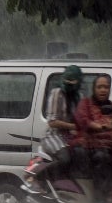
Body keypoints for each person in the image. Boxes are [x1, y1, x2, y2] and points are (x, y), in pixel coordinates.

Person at [27, 64, 85, 192]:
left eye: (72, 81)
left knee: (84, 156)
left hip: (71, 136)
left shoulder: (79, 96)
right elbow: (52, 122)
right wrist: (72, 126)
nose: (69, 84)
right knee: (64, 158)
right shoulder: (56, 93)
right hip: (54, 136)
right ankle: (38, 177)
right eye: (67, 80)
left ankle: (66, 187)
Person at [74, 73, 112, 203]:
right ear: (94, 89)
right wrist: (101, 126)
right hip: (89, 147)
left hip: (110, 148)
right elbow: (83, 120)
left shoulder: (110, 105)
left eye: (106, 87)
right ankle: (99, 201)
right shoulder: (86, 103)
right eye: (100, 87)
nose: (103, 90)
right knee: (103, 158)